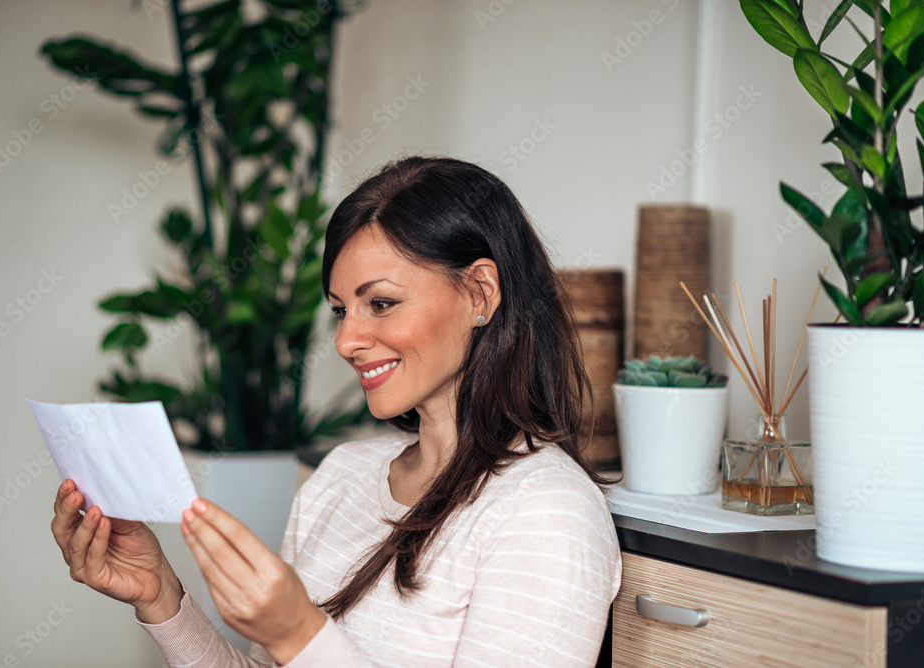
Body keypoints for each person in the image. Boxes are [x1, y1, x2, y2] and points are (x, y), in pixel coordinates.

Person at [51, 155, 622, 667]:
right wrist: (161, 597)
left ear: (479, 293)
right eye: (340, 310)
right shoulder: (342, 477)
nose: (347, 340)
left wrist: (301, 634)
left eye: (381, 303)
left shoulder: (547, 511)